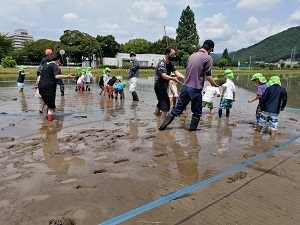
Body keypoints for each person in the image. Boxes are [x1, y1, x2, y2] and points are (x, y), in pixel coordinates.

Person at [159, 40, 218, 131]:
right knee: (197, 112)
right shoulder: (208, 58)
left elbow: (188, 70)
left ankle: (162, 127)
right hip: (196, 89)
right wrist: (215, 84)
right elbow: (208, 76)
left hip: (185, 87)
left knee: (176, 110)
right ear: (211, 49)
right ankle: (192, 132)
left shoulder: (192, 55)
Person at [38, 53, 75, 121]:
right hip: (49, 88)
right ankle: (50, 124)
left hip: (41, 87)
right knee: (51, 107)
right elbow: (56, 76)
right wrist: (68, 76)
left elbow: (40, 76)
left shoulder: (45, 64)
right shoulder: (54, 65)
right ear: (58, 60)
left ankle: (46, 121)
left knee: (47, 103)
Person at [154, 47, 184, 118]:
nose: (173, 57)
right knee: (166, 101)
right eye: (172, 55)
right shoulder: (161, 63)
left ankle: (156, 115)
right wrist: (172, 78)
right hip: (158, 85)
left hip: (164, 85)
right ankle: (163, 118)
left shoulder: (171, 63)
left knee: (161, 101)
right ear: (167, 54)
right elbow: (164, 75)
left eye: (174, 55)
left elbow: (176, 72)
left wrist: (184, 77)